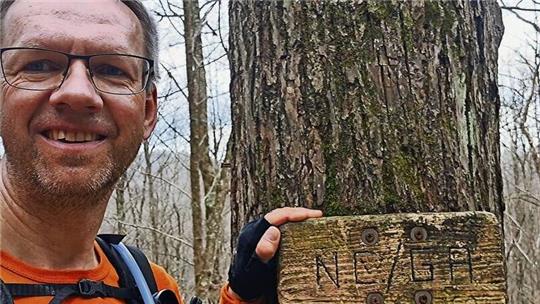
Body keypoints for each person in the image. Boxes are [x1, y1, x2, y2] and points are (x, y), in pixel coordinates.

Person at [0, 0, 322, 303]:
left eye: (112, 70)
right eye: (39, 64)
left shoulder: (148, 286)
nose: (78, 93)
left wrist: (245, 294)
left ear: (148, 112)